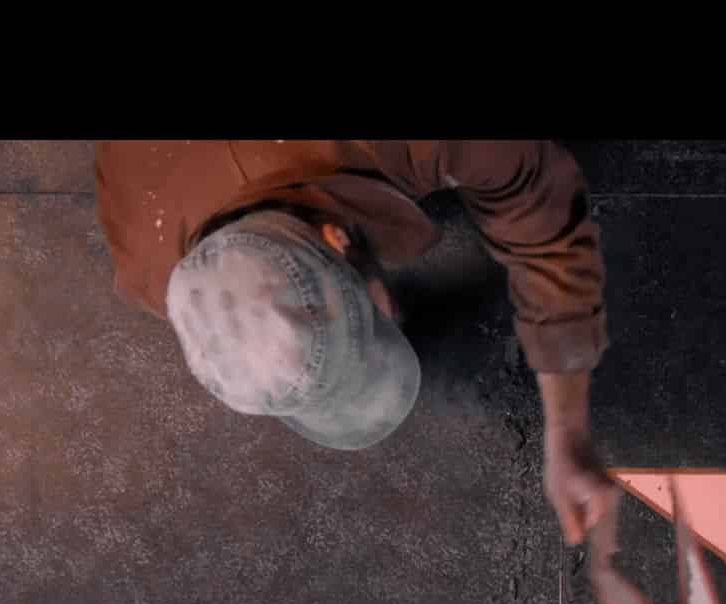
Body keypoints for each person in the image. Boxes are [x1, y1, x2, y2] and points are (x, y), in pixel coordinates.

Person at [95, 141, 618, 545]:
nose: (393, 322)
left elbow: (546, 227)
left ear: (337, 237)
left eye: (369, 319)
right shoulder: (144, 262)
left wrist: (566, 428)